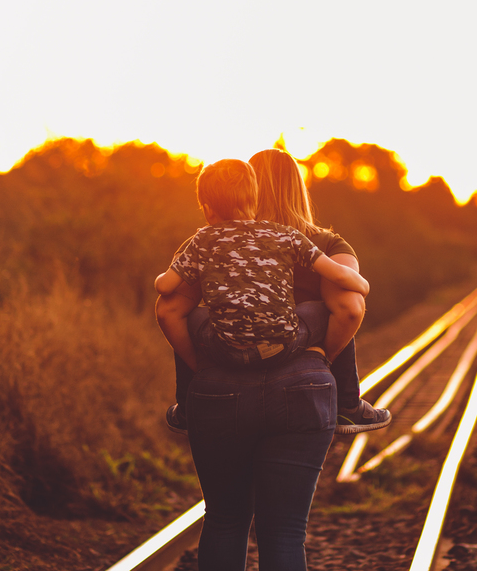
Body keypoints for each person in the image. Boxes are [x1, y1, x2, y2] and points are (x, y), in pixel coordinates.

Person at [158, 148, 390, 434]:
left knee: (192, 316)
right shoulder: (326, 245)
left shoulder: (208, 240)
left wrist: (200, 369)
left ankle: (187, 406)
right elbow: (349, 308)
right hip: (299, 371)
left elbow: (169, 310)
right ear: (299, 189)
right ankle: (347, 407)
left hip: (224, 372)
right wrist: (321, 359)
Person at [154, 158, 370, 368]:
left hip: (225, 349)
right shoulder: (295, 237)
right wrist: (363, 286)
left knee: (186, 315)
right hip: (282, 347)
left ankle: (187, 399)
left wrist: (196, 366)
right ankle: (348, 401)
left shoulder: (203, 241)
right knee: (330, 307)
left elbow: (168, 306)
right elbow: (347, 301)